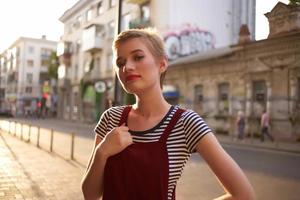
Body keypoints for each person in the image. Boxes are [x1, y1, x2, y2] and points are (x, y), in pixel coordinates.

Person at [81, 28, 255, 200]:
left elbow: (243, 195)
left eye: (138, 57)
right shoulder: (111, 118)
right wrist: (102, 152)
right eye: (120, 62)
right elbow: (90, 194)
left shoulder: (186, 122)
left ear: (162, 64)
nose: (127, 67)